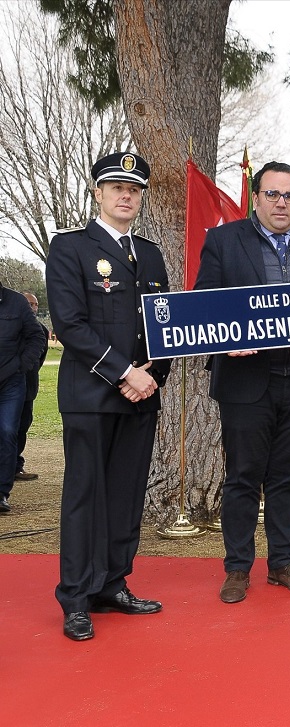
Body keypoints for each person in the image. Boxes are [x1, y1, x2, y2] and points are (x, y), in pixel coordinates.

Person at [194, 160, 290, 604]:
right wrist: (225, 339)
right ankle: (237, 568)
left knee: (288, 477)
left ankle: (283, 563)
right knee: (242, 477)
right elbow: (205, 302)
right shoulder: (222, 241)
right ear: (256, 198)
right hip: (246, 380)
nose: (282, 203)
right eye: (273, 194)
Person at [46, 152, 171, 641]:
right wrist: (125, 372)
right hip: (90, 395)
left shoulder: (152, 253)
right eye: (116, 186)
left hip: (141, 395)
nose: (126, 194)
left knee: (124, 496)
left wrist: (150, 373)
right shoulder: (71, 248)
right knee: (85, 498)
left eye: (134, 189)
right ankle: (76, 597)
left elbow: (164, 326)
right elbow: (69, 325)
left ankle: (112, 584)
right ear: (97, 192)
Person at [0, 285, 46, 514]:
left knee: (8, 431)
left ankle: (1, 493)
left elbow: (37, 335)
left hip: (10, 381)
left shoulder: (17, 302)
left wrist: (22, 365)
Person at [15, 292, 49, 482]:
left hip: (28, 388)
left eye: (35, 304)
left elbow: (40, 357)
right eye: (29, 303)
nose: (33, 307)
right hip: (7, 385)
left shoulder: (41, 331)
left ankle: (15, 467)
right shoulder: (9, 326)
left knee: (22, 427)